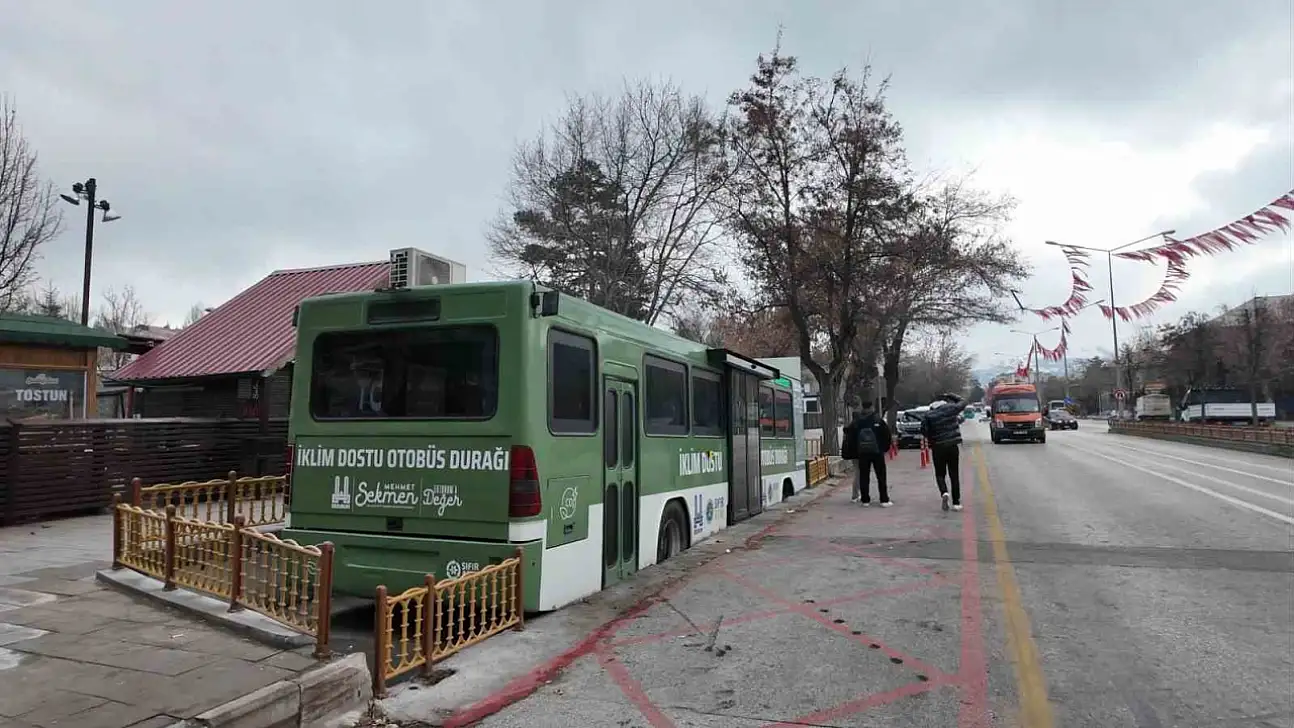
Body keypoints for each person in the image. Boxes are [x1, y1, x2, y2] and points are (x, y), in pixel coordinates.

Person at [921, 392, 969, 512]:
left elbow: (924, 431)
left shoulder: (928, 415)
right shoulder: (951, 409)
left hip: (938, 448)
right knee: (954, 474)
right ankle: (956, 502)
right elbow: (963, 402)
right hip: (952, 446)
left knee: (940, 474)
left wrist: (932, 437)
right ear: (944, 401)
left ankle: (944, 492)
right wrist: (952, 395)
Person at [841, 401, 893, 507]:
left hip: (863, 453)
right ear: (872, 407)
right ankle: (884, 499)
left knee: (864, 476)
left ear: (862, 408)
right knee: (881, 476)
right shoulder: (878, 420)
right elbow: (887, 435)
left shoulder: (858, 421)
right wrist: (884, 449)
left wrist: (855, 451)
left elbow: (850, 435)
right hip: (877, 452)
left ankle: (865, 500)